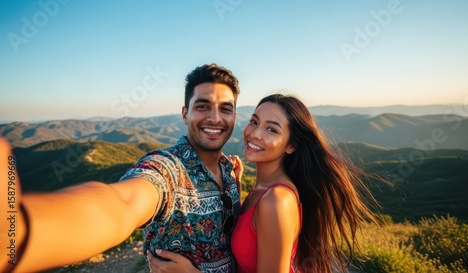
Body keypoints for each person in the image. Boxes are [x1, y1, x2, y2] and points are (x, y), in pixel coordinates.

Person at [0, 63, 242, 273]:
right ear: (184, 114)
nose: (215, 118)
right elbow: (122, 204)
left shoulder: (228, 172)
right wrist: (22, 231)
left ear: (234, 116)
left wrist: (235, 182)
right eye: (202, 106)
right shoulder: (168, 170)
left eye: (225, 109)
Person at [151, 93, 379, 273]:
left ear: (291, 145)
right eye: (254, 122)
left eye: (271, 129)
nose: (255, 134)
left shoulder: (277, 201)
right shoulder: (261, 190)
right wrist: (235, 186)